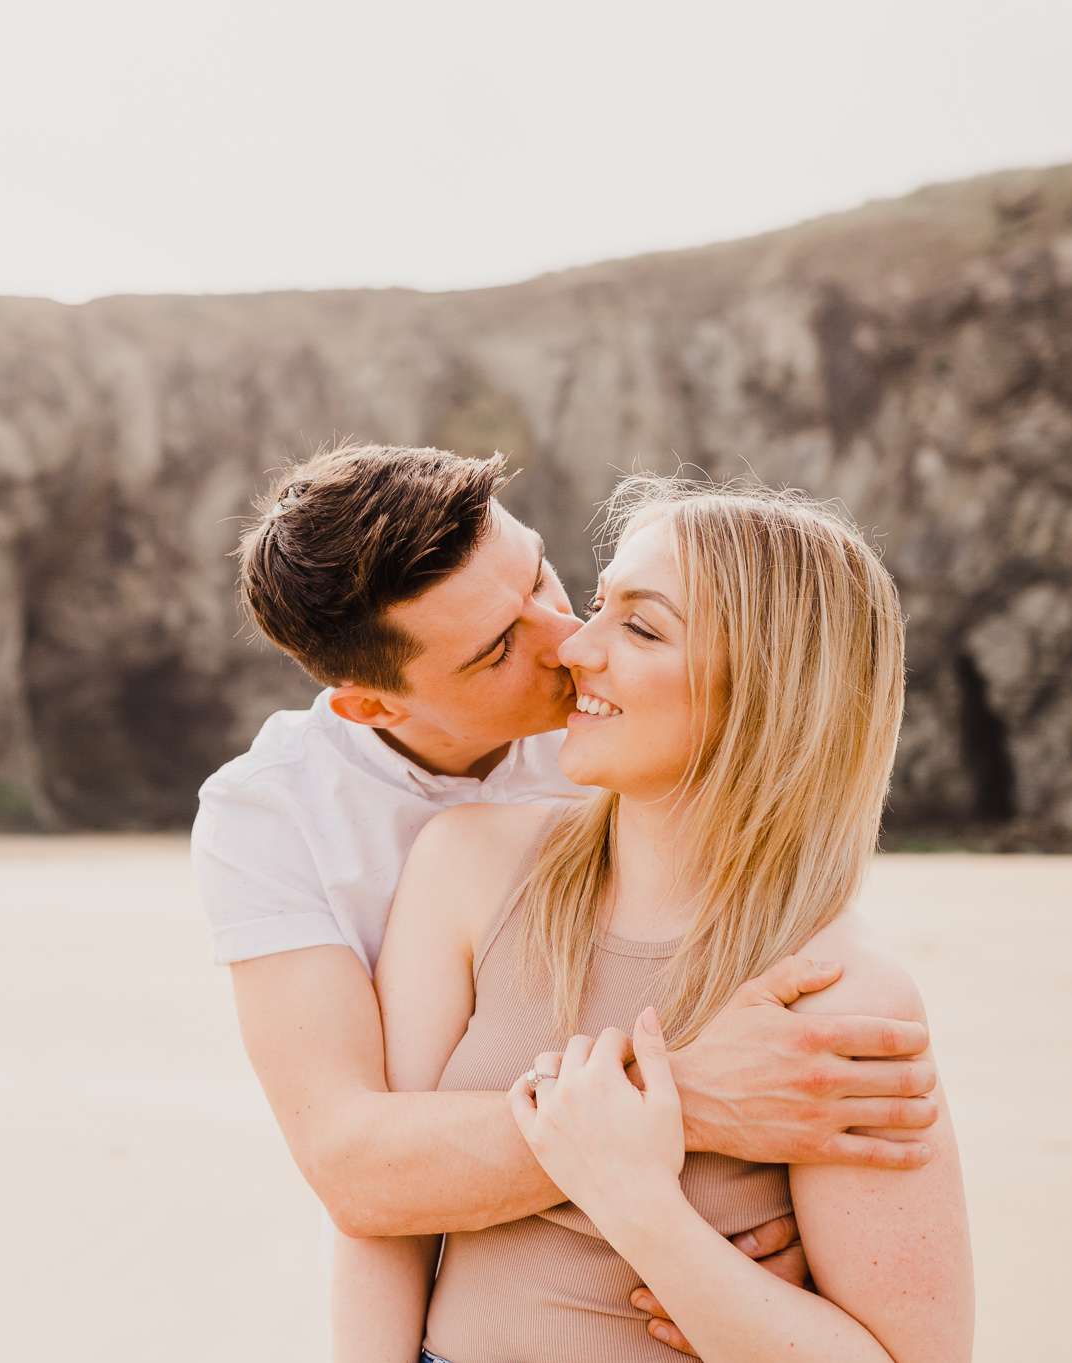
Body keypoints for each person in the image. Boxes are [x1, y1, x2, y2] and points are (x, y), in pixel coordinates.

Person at [190, 444, 942, 1358]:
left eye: (550, 580)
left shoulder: (613, 727)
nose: (566, 643)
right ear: (377, 709)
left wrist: (744, 1297)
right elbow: (363, 1174)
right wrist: (681, 1106)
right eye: (501, 648)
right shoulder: (290, 818)